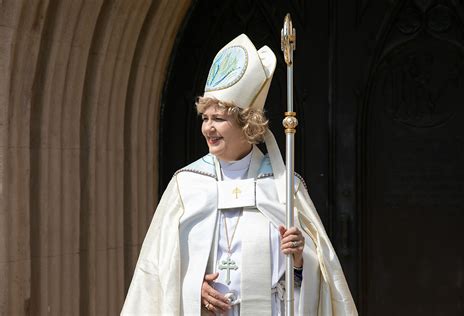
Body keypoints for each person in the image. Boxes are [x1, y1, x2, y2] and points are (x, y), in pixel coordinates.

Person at [121, 34, 357, 315]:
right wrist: (192, 287)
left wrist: (298, 260)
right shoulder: (186, 185)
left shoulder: (283, 187)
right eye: (205, 118)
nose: (208, 128)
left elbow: (314, 279)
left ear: (247, 124)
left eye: (218, 119)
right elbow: (159, 271)